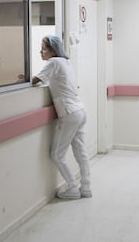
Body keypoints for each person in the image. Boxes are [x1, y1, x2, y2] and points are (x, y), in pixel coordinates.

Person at [32, 35, 91, 200]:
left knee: (57, 154)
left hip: (69, 113)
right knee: (81, 151)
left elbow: (35, 80)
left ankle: (72, 187)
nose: (40, 51)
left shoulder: (54, 62)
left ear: (53, 50)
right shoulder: (66, 62)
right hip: (80, 110)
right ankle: (85, 187)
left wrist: (23, 79)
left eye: (43, 48)